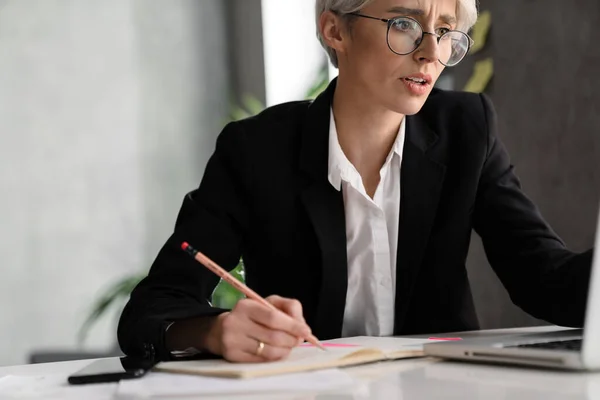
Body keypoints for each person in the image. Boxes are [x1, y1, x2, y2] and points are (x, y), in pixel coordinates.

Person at [117, 0, 593, 364]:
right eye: (404, 24)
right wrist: (215, 331)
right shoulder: (256, 150)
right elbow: (153, 307)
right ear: (334, 29)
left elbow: (543, 278)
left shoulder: (468, 130)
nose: (432, 53)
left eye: (446, 30)